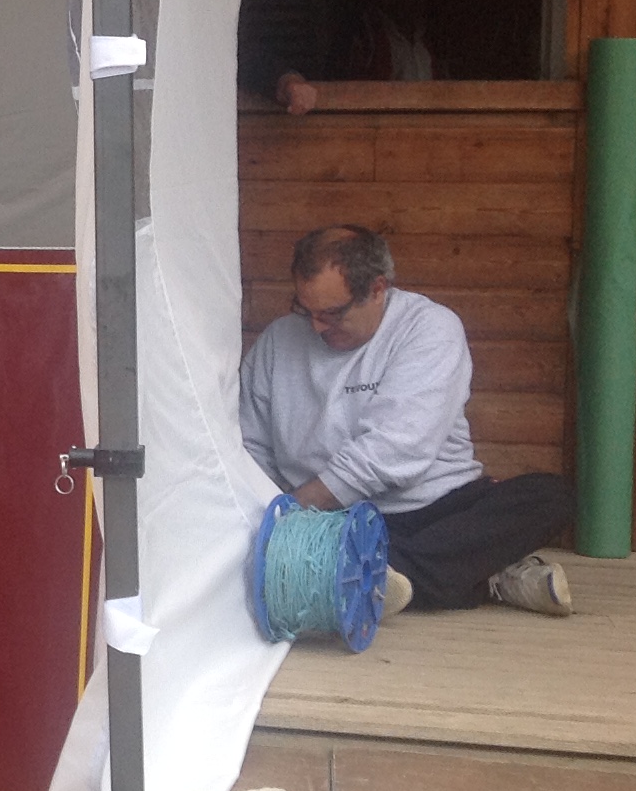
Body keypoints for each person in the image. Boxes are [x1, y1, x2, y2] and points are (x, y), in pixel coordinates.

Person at [241, 224, 575, 615]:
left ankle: (375, 572)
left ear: (378, 289)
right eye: (305, 309)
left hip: (435, 510)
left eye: (332, 313)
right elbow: (251, 446)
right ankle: (483, 573)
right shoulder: (277, 342)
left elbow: (396, 448)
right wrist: (275, 519)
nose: (315, 326)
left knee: (552, 496)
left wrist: (295, 507)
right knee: (455, 551)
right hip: (331, 522)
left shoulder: (429, 327)